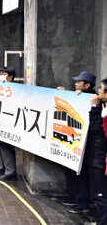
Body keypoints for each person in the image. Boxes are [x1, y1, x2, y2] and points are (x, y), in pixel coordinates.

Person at [56, 71, 97, 213]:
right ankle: (74, 198)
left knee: (81, 174)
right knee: (73, 172)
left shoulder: (93, 100)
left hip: (86, 146)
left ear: (87, 85)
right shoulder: (80, 96)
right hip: (74, 142)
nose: (75, 83)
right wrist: (64, 92)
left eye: (79, 82)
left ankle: (82, 204)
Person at [85, 78, 107, 224]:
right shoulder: (104, 106)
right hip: (98, 157)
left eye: (101, 88)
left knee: (101, 195)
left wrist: (94, 108)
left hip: (101, 160)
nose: (99, 90)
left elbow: (98, 129)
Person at [0, 66, 18, 181]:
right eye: (1, 73)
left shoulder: (15, 88)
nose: (2, 75)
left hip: (8, 121)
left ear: (11, 77)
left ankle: (10, 171)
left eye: (5, 74)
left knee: (7, 146)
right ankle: (3, 166)